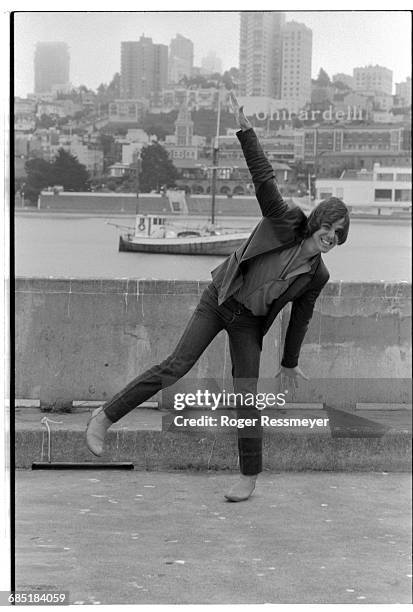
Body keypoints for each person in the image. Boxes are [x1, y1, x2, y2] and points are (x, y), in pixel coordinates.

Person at [86, 92, 350, 502]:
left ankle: (248, 475)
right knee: (175, 366)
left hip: (248, 322)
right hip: (220, 297)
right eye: (328, 227)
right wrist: (246, 131)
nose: (331, 237)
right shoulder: (285, 220)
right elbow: (264, 179)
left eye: (338, 234)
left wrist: (289, 363)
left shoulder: (318, 273)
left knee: (246, 393)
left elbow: (301, 317)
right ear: (317, 221)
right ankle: (104, 417)